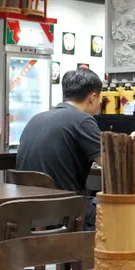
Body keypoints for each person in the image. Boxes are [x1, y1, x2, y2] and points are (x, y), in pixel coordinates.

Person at [17, 67, 103, 229]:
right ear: (92, 97)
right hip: (66, 214)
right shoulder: (83, 120)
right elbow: (112, 165)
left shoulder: (35, 119)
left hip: (29, 215)